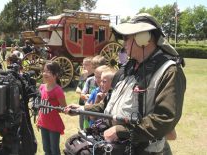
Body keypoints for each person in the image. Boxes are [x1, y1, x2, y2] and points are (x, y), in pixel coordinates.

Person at [67, 13, 186, 155]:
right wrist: (82, 108)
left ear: (144, 38)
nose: (123, 43)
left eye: (126, 38)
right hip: (115, 146)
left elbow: (165, 119)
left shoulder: (169, 71)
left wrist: (122, 131)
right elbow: (107, 104)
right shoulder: (127, 68)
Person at [36, 61, 67, 155]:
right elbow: (40, 106)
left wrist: (57, 108)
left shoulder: (58, 90)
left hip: (54, 125)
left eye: (48, 71)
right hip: (43, 124)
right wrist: (38, 119)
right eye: (44, 71)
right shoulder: (41, 87)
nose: (45, 73)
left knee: (54, 149)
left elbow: (64, 107)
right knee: (46, 148)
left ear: (55, 74)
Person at [75, 57, 94, 129]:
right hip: (82, 104)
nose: (83, 67)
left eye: (86, 64)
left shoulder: (94, 77)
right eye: (83, 64)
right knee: (81, 125)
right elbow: (77, 89)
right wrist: (84, 94)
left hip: (90, 105)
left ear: (92, 65)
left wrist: (84, 94)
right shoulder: (83, 76)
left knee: (89, 126)